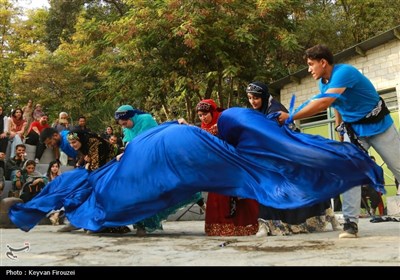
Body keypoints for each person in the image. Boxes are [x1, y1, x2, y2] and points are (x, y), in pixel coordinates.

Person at [9, 107, 383, 233]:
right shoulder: (233, 130)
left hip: (161, 152)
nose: (207, 117)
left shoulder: (198, 132)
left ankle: (103, 215)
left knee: (139, 190)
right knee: (147, 190)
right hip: (168, 153)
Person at [278, 44, 400, 238]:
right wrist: (338, 127)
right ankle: (350, 223)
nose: (309, 69)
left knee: (398, 168)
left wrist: (291, 116)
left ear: (323, 62)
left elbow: (324, 102)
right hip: (356, 131)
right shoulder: (323, 82)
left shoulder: (344, 73)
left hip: (379, 127)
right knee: (349, 172)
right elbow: (336, 104)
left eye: (311, 64)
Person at [246, 82, 337, 236]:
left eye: (256, 98)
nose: (252, 101)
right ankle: (265, 224)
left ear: (263, 96)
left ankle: (329, 217)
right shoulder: (260, 111)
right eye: (249, 98)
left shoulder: (275, 111)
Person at [114, 105, 203, 236]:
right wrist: (125, 153)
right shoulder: (127, 128)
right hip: (138, 165)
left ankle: (197, 198)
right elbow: (128, 143)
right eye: (121, 124)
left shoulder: (146, 120)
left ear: (132, 117)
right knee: (138, 194)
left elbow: (149, 138)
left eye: (125, 122)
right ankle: (141, 225)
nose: (124, 126)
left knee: (166, 188)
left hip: (155, 160)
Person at [197, 99, 259, 236]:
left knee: (239, 196)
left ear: (212, 112)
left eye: (205, 114)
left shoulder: (224, 121)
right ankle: (218, 228)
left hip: (232, 163)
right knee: (218, 196)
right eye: (200, 115)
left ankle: (245, 226)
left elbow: (236, 139)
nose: (203, 118)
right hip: (216, 167)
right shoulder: (203, 127)